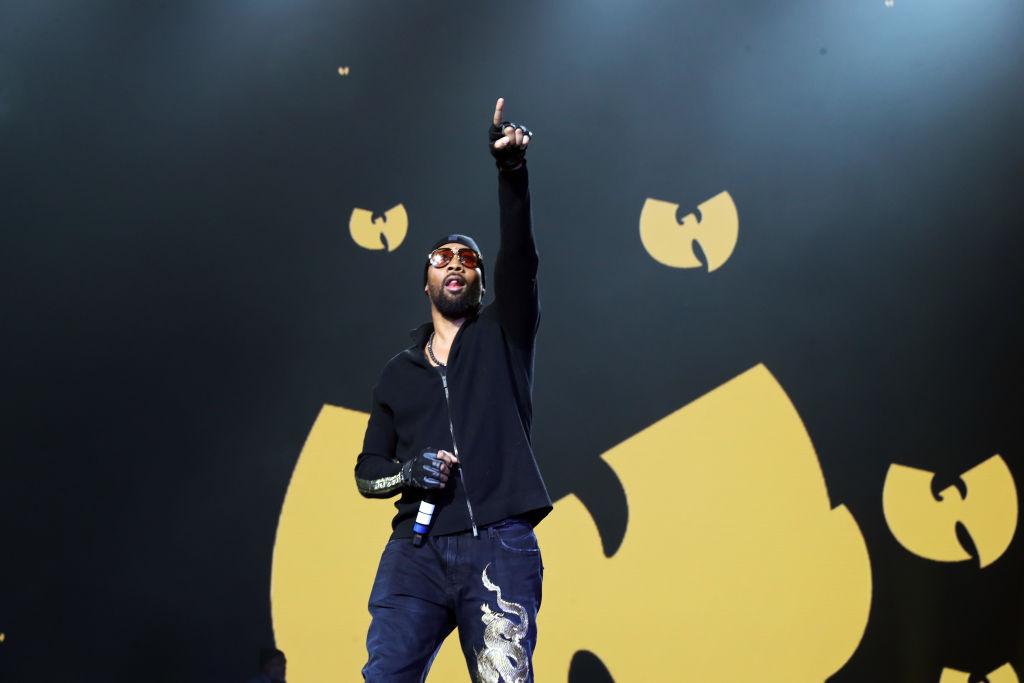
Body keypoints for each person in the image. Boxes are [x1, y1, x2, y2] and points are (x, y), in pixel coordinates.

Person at [354, 97, 552, 683]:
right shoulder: (398, 373)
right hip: (416, 553)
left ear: (481, 280)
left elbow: (521, 256)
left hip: (498, 544)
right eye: (441, 258)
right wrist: (408, 473)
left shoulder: (503, 333)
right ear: (426, 281)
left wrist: (510, 172)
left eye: (467, 258)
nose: (455, 264)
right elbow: (368, 472)